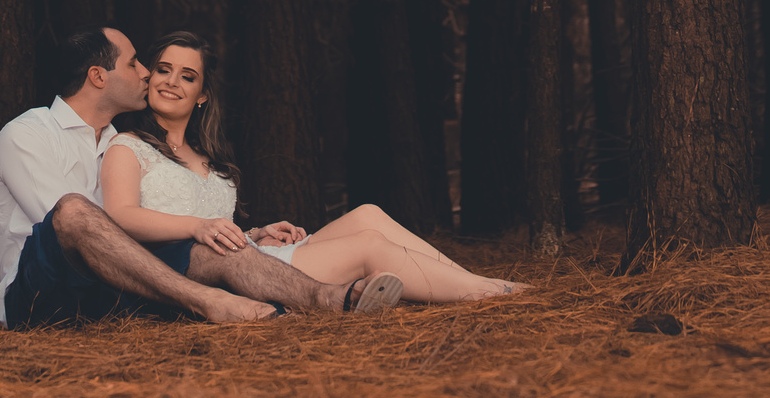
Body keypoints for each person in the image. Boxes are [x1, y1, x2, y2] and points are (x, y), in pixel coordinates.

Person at [0, 23, 404, 328]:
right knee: (73, 210)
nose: (146, 73)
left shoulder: (118, 140)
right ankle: (209, 301)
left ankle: (331, 298)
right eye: (133, 63)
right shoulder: (27, 135)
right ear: (98, 76)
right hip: (43, 291)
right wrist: (192, 232)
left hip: (111, 290)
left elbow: (133, 231)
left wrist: (245, 236)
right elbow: (72, 232)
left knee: (220, 252)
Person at [101, 30, 525, 304]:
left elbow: (217, 226)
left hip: (251, 257)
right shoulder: (129, 146)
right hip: (210, 278)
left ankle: (471, 281)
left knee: (368, 214)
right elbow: (121, 217)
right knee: (368, 246)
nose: (172, 81)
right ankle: (491, 294)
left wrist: (255, 233)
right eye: (163, 70)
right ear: (150, 78)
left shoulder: (206, 156)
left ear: (203, 95)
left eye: (187, 76)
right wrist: (198, 226)